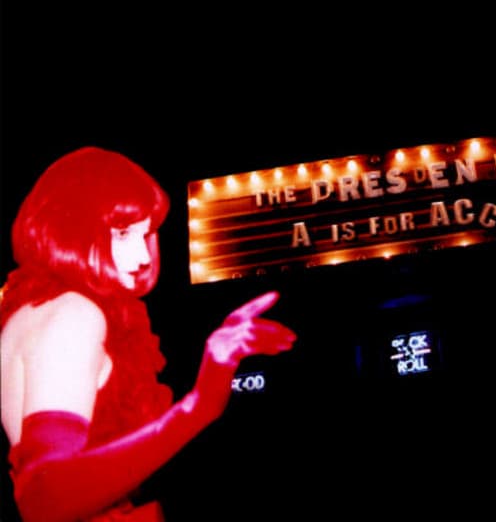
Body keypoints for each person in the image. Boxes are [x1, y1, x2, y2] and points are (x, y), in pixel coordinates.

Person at [0, 146, 297, 522]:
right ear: (71, 228)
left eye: (146, 234)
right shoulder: (73, 313)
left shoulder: (35, 309)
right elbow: (45, 497)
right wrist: (198, 407)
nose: (142, 256)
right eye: (123, 234)